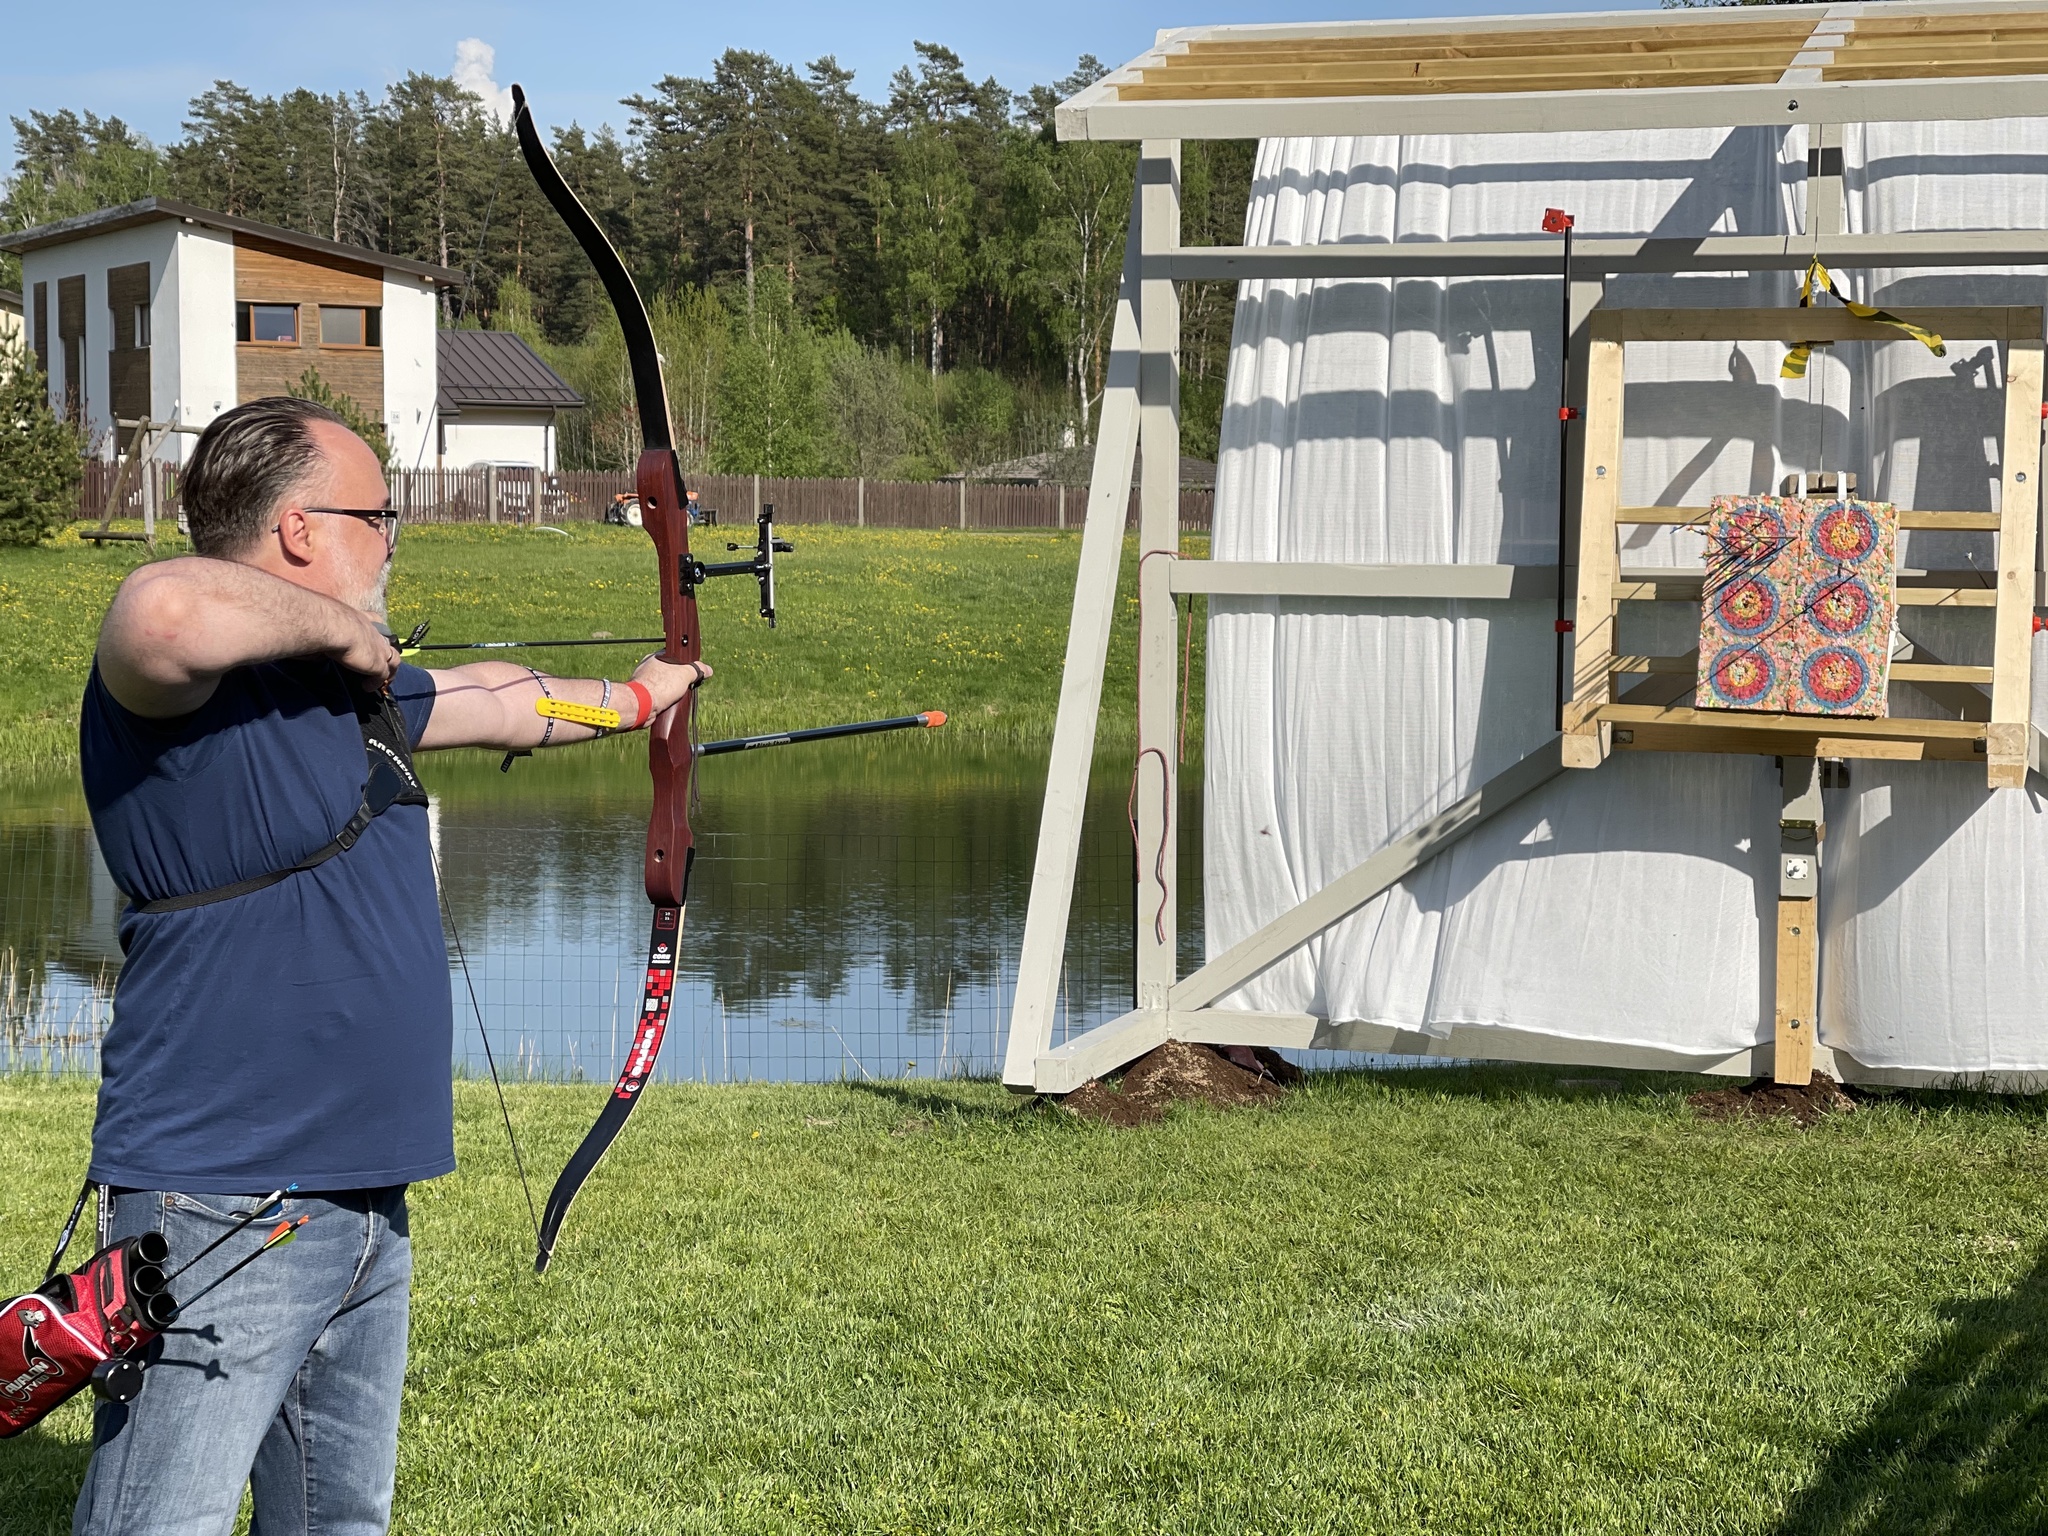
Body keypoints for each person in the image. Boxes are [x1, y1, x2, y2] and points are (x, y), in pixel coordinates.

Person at [70, 396, 704, 1535]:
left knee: (338, 1520)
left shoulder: (351, 700)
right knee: (158, 1519)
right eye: (380, 513)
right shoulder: (170, 688)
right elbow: (163, 607)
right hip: (222, 1195)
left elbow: (505, 700)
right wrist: (352, 635)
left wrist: (645, 694)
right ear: (302, 530)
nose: (396, 536)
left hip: (364, 1202)